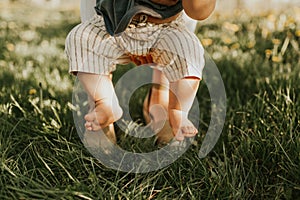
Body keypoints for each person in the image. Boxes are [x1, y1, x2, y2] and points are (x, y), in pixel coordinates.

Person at [65, 0, 216, 144]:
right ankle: (103, 101)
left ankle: (176, 109)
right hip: (111, 25)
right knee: (80, 39)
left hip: (165, 28)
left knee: (188, 51)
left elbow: (198, 11)